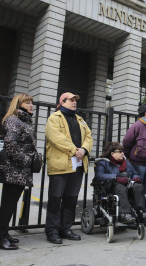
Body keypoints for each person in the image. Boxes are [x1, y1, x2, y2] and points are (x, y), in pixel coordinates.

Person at [44, 92, 93, 244]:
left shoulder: (80, 119)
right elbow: (56, 137)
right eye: (71, 100)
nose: (74, 103)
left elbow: (89, 137)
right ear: (62, 102)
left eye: (75, 100)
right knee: (55, 199)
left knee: (71, 200)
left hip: (77, 165)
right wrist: (75, 150)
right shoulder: (54, 118)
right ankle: (52, 231)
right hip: (60, 165)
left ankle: (66, 228)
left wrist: (84, 150)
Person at [0, 94, 38, 250]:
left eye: (31, 103)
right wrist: (26, 161)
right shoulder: (13, 120)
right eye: (27, 102)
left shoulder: (23, 121)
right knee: (8, 203)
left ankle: (3, 233)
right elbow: (10, 144)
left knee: (10, 203)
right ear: (18, 104)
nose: (31, 105)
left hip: (19, 169)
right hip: (13, 169)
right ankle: (0, 238)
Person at [122, 103, 146, 227]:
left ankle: (144, 216)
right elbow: (126, 143)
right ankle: (134, 217)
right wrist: (131, 157)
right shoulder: (137, 126)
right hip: (138, 163)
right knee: (136, 190)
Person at [94, 142, 146, 222]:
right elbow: (99, 176)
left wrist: (136, 178)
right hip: (112, 186)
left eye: (123, 151)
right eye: (120, 151)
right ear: (112, 153)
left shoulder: (126, 162)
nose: (123, 153)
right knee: (121, 188)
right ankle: (125, 214)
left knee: (138, 186)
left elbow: (134, 173)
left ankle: (142, 212)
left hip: (128, 184)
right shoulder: (103, 163)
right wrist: (116, 178)